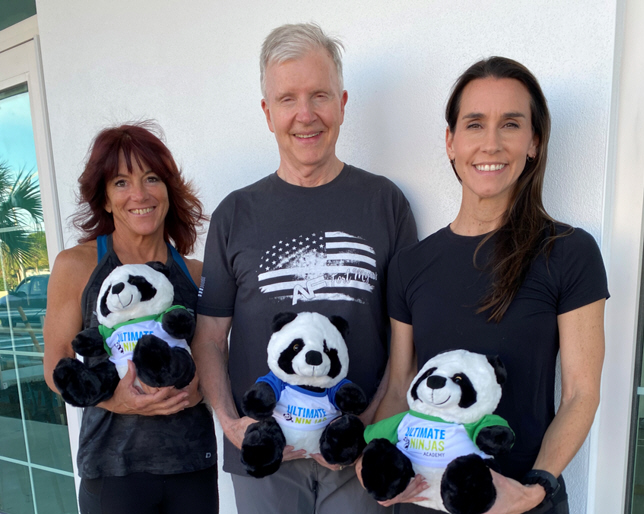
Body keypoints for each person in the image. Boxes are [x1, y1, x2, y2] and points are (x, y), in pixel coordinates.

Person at [357, 57, 609, 514]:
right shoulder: (411, 265)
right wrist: (372, 458)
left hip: (523, 503)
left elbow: (580, 392)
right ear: (451, 142)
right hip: (423, 501)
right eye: (475, 124)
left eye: (510, 124)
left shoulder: (570, 253)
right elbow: (399, 387)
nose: (490, 143)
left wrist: (537, 487)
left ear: (533, 142)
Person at [191, 23, 417, 514]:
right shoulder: (235, 214)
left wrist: (369, 428)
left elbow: (405, 343)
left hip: (357, 456)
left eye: (320, 95)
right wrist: (232, 425)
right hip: (265, 461)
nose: (305, 114)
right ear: (267, 113)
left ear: (342, 102)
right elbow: (209, 335)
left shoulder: (386, 204)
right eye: (288, 99)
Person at [43, 123, 218, 514]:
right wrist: (115, 400)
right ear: (104, 199)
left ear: (168, 190)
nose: (139, 194)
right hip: (113, 472)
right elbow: (55, 364)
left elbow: (214, 355)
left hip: (193, 466)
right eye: (121, 182)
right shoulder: (77, 266)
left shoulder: (195, 274)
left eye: (151, 178)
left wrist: (202, 388)